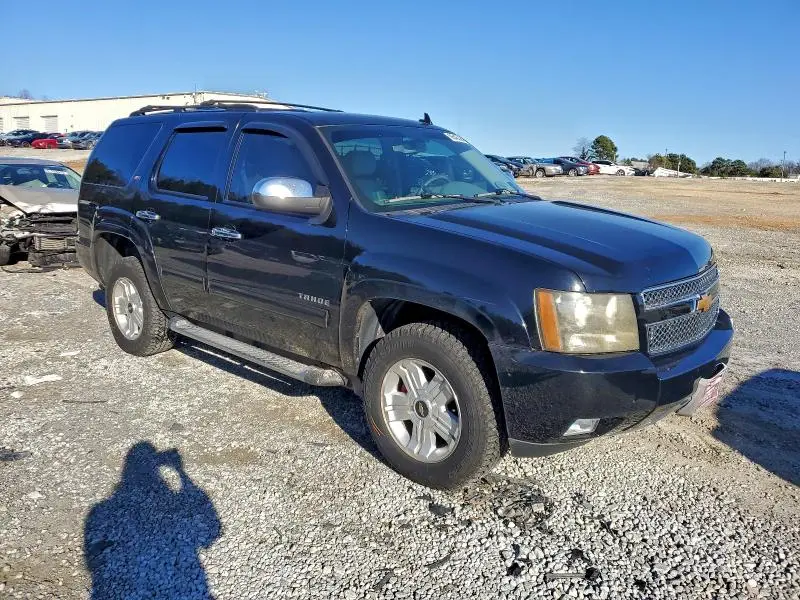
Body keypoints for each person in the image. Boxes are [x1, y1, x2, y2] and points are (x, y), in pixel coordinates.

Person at [84, 442, 221, 599]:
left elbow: (92, 562)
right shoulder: (102, 511)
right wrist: (181, 472)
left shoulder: (100, 511)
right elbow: (211, 532)